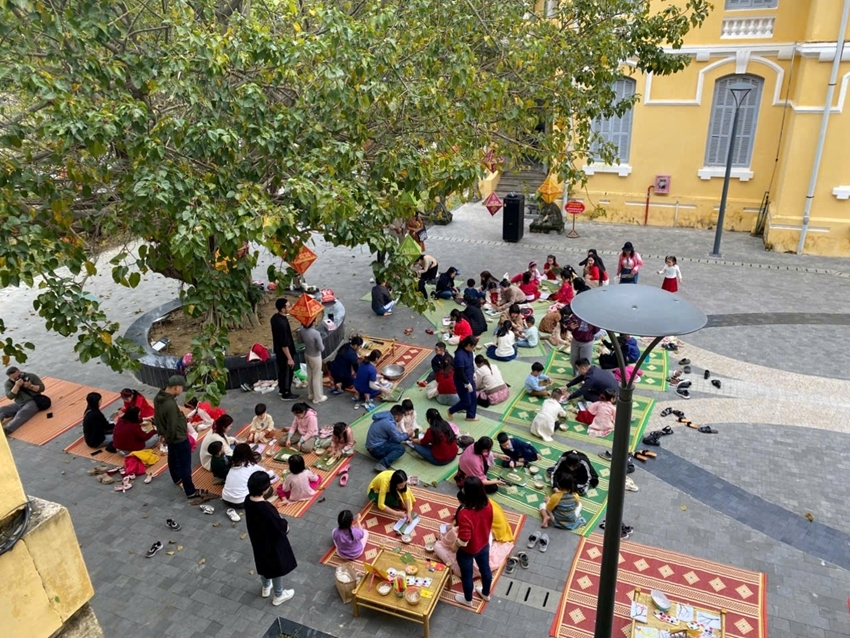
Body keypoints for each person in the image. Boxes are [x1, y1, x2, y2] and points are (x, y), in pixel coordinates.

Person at [244, 471, 297, 606]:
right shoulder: (266, 508)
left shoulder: (247, 500)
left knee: (263, 563)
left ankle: (266, 586)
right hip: (272, 543)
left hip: (258, 540)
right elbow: (279, 526)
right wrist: (285, 525)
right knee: (276, 567)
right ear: (264, 489)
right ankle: (279, 594)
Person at [153, 375, 208, 501]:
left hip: (168, 435)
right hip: (178, 437)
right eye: (181, 388)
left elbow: (157, 418)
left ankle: (176, 478)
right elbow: (172, 425)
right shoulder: (170, 404)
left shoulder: (158, 398)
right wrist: (169, 438)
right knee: (185, 464)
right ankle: (190, 491)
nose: (182, 390)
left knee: (172, 458)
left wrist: (162, 434)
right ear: (175, 387)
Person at [453, 476, 494, 607]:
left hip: (468, 550)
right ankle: (486, 593)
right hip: (484, 544)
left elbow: (464, 539)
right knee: (485, 569)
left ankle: (468, 599)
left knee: (467, 575)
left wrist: (455, 546)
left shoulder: (464, 513)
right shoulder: (488, 503)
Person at [222, 443, 277, 509]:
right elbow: (267, 475)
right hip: (241, 502)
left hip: (225, 498)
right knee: (269, 489)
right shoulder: (252, 466)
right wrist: (273, 472)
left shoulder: (232, 465)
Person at [1, 367, 47, 434]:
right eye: (14, 378)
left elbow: (42, 388)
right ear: (10, 378)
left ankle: (7, 429)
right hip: (19, 403)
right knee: (3, 410)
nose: (17, 378)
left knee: (22, 413)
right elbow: (10, 396)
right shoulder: (8, 383)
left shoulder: (31, 376)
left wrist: (30, 386)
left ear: (20, 372)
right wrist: (16, 386)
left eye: (18, 376)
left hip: (33, 400)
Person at [365, 405, 410, 471]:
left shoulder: (386, 415)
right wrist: (407, 434)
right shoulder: (389, 423)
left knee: (396, 439)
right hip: (375, 449)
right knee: (400, 449)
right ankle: (382, 464)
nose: (402, 418)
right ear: (397, 416)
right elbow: (398, 438)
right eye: (402, 416)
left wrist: (404, 436)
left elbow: (395, 435)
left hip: (372, 444)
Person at [270, 298, 298, 401]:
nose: (290, 308)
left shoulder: (275, 318)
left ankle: (282, 389)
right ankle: (286, 392)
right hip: (285, 353)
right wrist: (289, 358)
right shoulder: (282, 324)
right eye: (288, 306)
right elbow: (284, 344)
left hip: (279, 351)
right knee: (287, 372)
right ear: (282, 309)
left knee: (282, 371)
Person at [449, 336, 478, 422]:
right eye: (473, 346)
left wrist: (474, 372)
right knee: (467, 401)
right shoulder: (459, 356)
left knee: (473, 398)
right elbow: (460, 372)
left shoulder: (470, 352)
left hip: (469, 376)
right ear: (468, 345)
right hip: (461, 381)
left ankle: (470, 416)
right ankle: (451, 410)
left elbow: (471, 364)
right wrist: (466, 383)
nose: (474, 348)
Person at [300, 317, 327, 403]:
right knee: (316, 376)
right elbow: (321, 348)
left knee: (310, 374)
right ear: (313, 321)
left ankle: (311, 394)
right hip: (315, 356)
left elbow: (299, 341)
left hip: (307, 353)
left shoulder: (302, 330)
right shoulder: (316, 333)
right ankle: (317, 397)